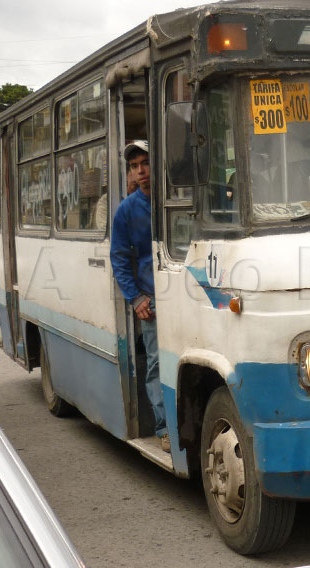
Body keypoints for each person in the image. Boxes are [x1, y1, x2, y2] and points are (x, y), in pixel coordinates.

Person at [110, 140, 169, 452]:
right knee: (157, 365)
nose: (141, 170)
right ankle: (164, 429)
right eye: (134, 166)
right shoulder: (126, 210)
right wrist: (136, 299)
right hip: (152, 301)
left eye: (145, 163)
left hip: (187, 295)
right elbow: (119, 258)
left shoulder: (175, 199)